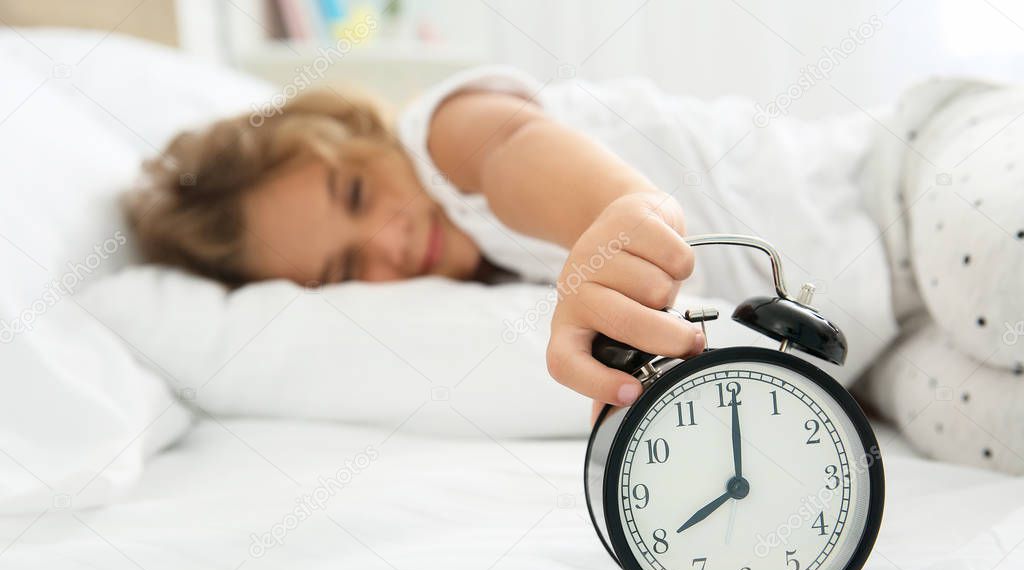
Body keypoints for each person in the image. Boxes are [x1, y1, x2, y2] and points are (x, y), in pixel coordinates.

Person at [125, 66, 892, 414]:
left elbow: (519, 150)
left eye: (356, 193)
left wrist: (619, 222)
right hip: (878, 355)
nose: (388, 242)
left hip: (895, 190)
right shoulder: (480, 290)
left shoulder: (448, 136)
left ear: (367, 130)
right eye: (346, 266)